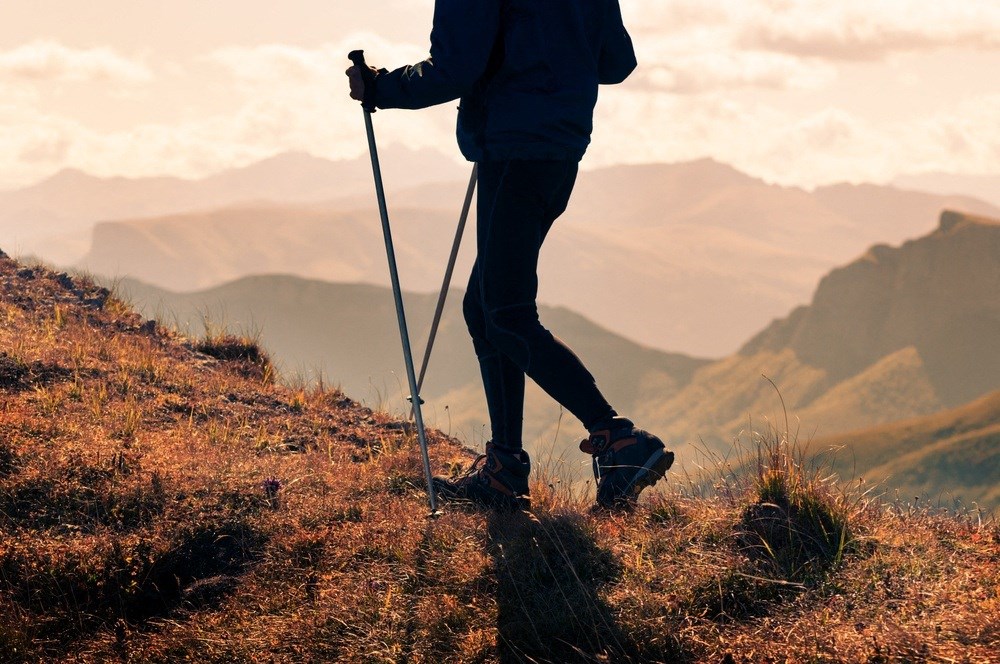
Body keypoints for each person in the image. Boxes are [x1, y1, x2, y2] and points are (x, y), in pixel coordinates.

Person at [346, 0, 673, 510]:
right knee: (486, 309)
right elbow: (616, 62)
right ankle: (504, 468)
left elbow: (456, 66)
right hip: (556, 152)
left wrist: (382, 87)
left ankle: (618, 439)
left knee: (504, 313)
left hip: (513, 147)